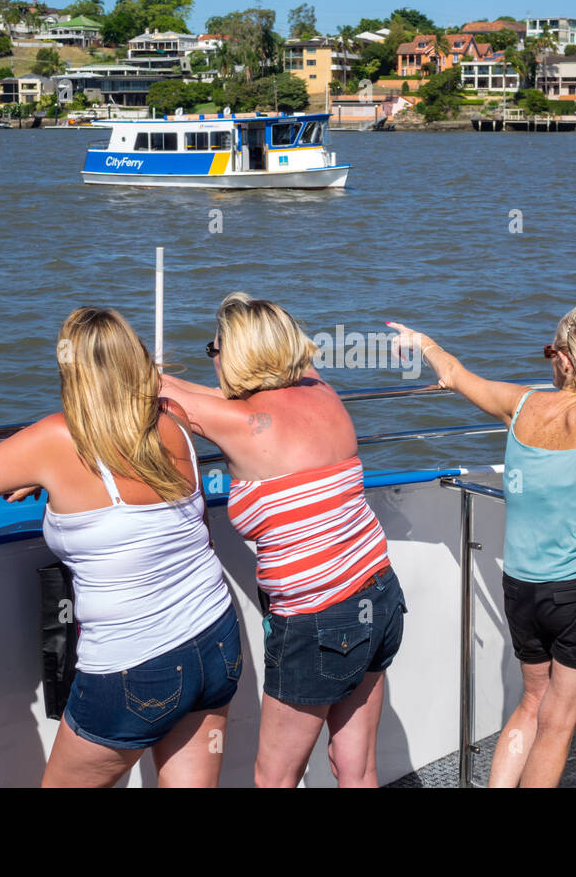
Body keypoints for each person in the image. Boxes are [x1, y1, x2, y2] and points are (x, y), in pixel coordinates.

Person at [0, 307, 242, 788]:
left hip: (133, 665)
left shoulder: (53, 439)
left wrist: (38, 470)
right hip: (215, 637)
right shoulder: (172, 419)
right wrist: (47, 477)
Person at [389, 306, 576, 787]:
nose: (550, 360)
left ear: (567, 361)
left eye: (553, 351)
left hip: (521, 589)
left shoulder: (521, 403)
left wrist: (422, 341)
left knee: (531, 704)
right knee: (558, 724)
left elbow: (455, 374)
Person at [158, 293, 405, 788]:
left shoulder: (243, 425)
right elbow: (213, 399)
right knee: (357, 770)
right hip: (378, 595)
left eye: (216, 349)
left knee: (274, 779)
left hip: (319, 620)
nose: (215, 359)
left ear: (241, 355)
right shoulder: (321, 389)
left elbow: (154, 391)